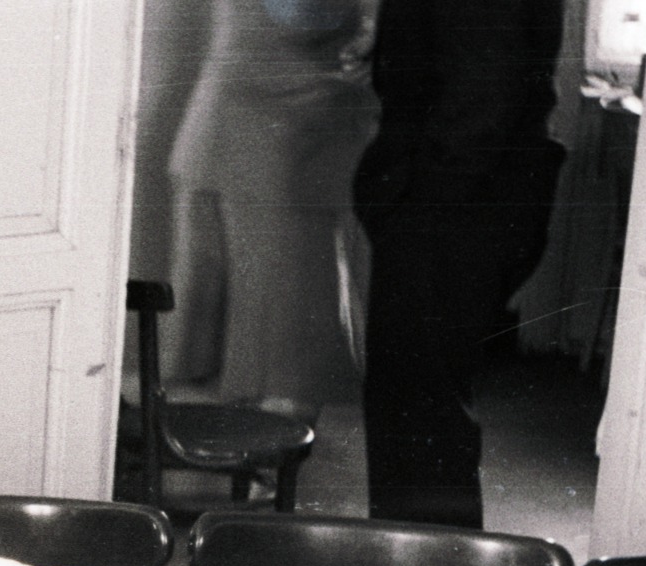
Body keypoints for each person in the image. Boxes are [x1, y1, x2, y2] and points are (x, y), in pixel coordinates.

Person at [354, 0, 565, 528]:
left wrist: (407, 202)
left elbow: (483, 101)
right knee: (421, 410)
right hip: (461, 208)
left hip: (450, 214)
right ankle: (417, 565)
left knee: (420, 415)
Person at [163, 0, 378, 423]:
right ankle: (267, 460)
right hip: (270, 150)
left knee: (267, 326)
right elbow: (304, 18)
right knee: (284, 330)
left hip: (257, 141)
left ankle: (262, 457)